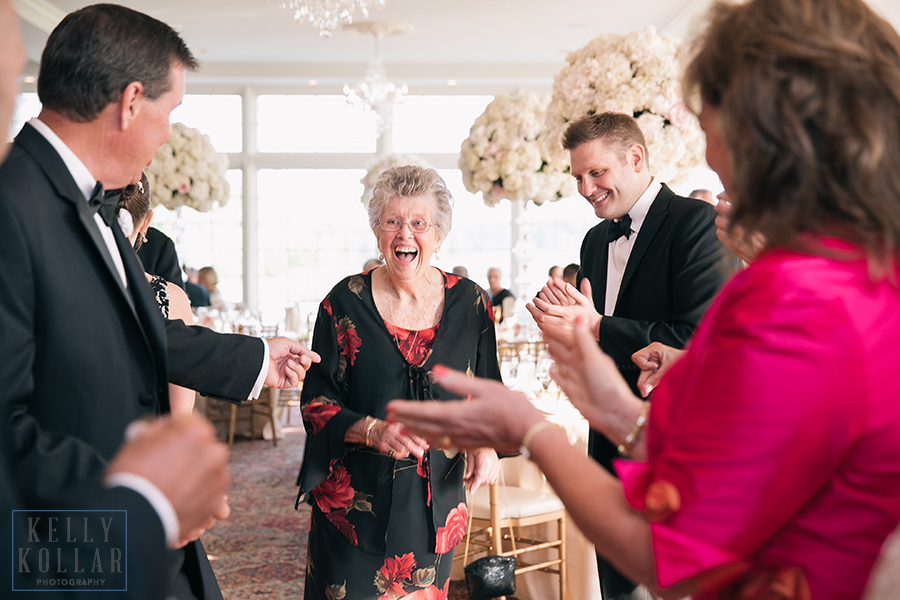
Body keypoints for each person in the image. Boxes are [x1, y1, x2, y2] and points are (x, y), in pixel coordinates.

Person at [389, 0, 900, 597]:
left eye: (713, 129)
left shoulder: (790, 296)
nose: (711, 160)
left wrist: (527, 429)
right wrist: (614, 406)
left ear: (768, 133)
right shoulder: (870, 270)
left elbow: (669, 551)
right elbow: (751, 464)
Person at [0, 5, 318, 599]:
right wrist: (143, 495)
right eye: (171, 112)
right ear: (131, 101)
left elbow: (126, 335)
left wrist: (255, 358)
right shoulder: (14, 208)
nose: (169, 132)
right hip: (74, 551)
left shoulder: (94, 207)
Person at [527, 112, 731, 598]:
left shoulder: (695, 223)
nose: (585, 188)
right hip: (605, 430)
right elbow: (599, 337)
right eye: (577, 177)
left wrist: (597, 326)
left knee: (677, 580)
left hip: (673, 432)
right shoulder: (595, 240)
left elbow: (695, 336)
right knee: (615, 580)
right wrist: (571, 333)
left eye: (596, 173)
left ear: (636, 158)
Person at [296, 165, 500, 599]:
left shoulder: (472, 303)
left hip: (434, 511)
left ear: (439, 235)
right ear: (376, 231)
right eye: (392, 222)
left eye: (419, 223)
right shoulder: (342, 302)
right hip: (353, 512)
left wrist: (484, 443)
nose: (404, 235)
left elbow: (488, 392)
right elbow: (316, 403)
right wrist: (373, 430)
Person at [116, 173, 196, 415]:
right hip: (148, 438)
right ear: (146, 220)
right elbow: (179, 412)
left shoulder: (51, 277)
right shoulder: (170, 298)